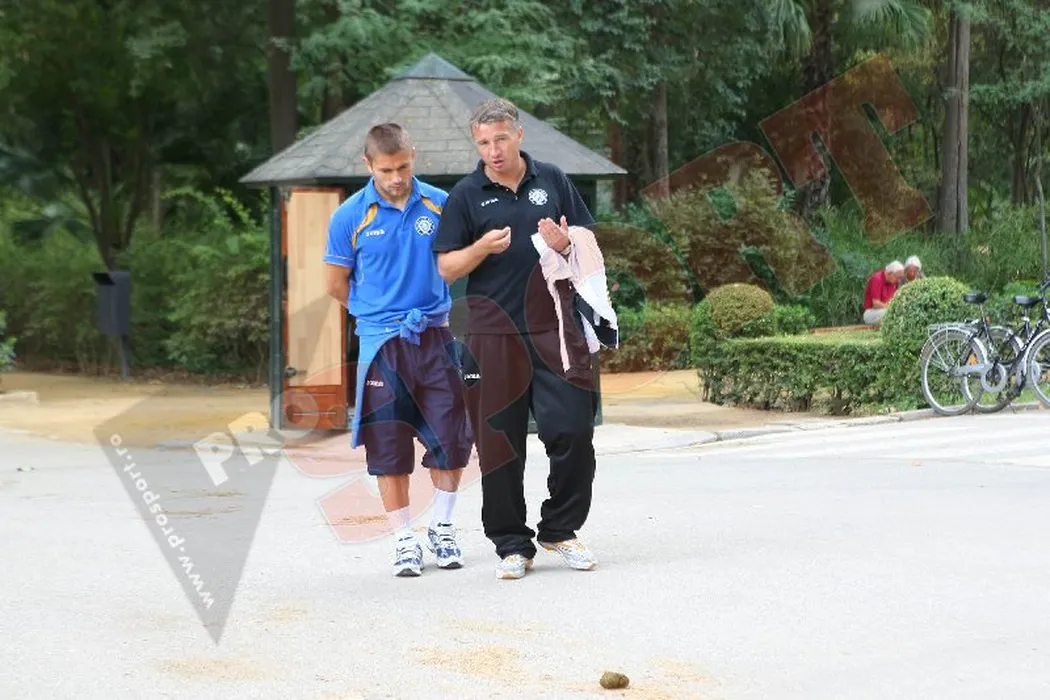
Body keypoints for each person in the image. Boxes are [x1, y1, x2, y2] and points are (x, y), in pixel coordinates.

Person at [432, 98, 600, 580]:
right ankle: (511, 544)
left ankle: (559, 529)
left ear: (519, 135)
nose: (493, 150)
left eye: (501, 139)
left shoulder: (553, 180)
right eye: (484, 142)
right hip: (491, 333)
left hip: (556, 327)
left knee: (573, 431)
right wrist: (481, 248)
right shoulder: (466, 194)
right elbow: (446, 268)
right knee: (499, 444)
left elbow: (589, 243)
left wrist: (565, 244)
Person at [323, 123, 473, 577]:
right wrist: (378, 317)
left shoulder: (440, 204)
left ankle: (442, 528)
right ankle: (404, 540)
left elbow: (456, 263)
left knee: (452, 439)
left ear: (414, 156)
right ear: (368, 165)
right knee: (387, 446)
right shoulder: (349, 216)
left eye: (403, 167)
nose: (396, 178)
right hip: (381, 346)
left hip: (436, 338)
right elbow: (335, 285)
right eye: (386, 170)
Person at [862, 260, 904, 325]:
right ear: (890, 273)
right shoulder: (877, 279)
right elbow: (876, 304)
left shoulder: (893, 282)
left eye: (900, 278)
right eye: (897, 277)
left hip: (885, 310)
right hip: (871, 312)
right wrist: (892, 308)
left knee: (901, 311)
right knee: (892, 313)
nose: (898, 280)